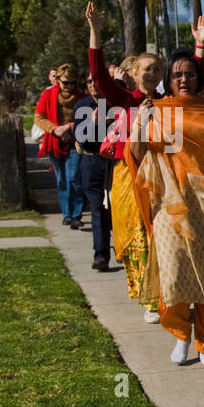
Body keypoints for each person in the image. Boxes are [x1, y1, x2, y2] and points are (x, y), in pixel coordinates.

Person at [127, 50, 204, 366]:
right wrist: (139, 123)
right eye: (177, 75)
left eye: (189, 73)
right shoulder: (156, 110)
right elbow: (134, 154)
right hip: (168, 200)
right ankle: (181, 334)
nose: (183, 79)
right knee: (172, 269)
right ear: (168, 81)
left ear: (198, 77)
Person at [86, 3, 165, 320]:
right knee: (133, 235)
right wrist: (95, 31)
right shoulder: (123, 100)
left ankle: (161, 294)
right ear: (134, 73)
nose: (152, 73)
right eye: (146, 68)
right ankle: (147, 297)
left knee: (159, 234)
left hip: (161, 176)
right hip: (125, 176)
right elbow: (99, 75)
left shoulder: (168, 101)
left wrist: (200, 45)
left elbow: (195, 81)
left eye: (157, 69)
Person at [34, 62, 87, 228]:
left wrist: (69, 127)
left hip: (74, 141)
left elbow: (85, 118)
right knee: (61, 179)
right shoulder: (48, 95)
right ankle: (66, 213)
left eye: (72, 82)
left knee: (74, 178)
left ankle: (76, 213)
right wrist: (55, 130)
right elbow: (39, 117)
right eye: (65, 82)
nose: (69, 86)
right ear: (58, 81)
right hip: (55, 141)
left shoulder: (80, 97)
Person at [75, 75, 113, 271]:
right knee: (98, 209)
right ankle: (101, 255)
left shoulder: (114, 103)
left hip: (112, 162)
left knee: (113, 209)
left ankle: (123, 248)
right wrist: (93, 123)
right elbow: (82, 140)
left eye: (95, 81)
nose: (92, 85)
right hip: (91, 162)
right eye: (88, 82)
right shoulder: (82, 106)